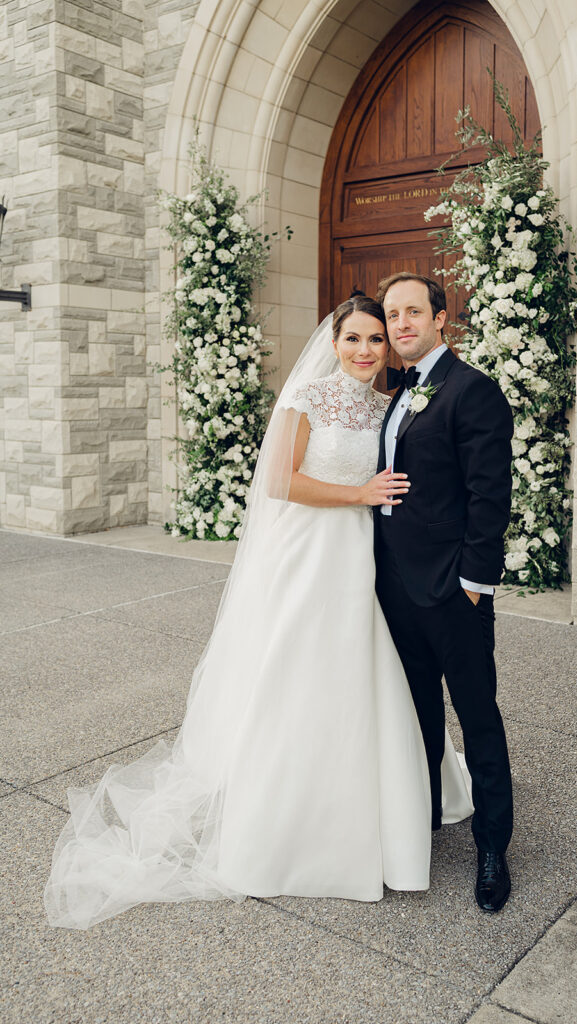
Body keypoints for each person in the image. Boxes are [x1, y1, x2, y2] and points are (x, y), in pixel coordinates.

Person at [44, 295, 472, 930]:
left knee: (360, 671)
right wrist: (358, 492)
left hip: (363, 556)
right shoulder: (305, 400)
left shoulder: (390, 407)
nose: (365, 351)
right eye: (353, 339)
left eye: (376, 340)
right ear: (333, 344)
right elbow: (278, 481)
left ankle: (375, 805)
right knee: (297, 670)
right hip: (308, 553)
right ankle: (286, 820)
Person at [374, 272, 515, 914]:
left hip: (454, 592)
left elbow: (490, 495)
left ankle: (493, 848)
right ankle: (425, 820)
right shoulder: (397, 393)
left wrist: (473, 585)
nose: (401, 323)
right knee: (420, 714)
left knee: (477, 717)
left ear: (439, 318)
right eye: (392, 314)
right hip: (395, 589)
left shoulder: (471, 390)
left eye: (413, 311)